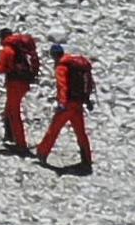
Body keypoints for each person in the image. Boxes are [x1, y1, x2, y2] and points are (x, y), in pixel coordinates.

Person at [36, 42, 96, 173]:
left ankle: (42, 153)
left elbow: (63, 86)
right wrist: (86, 99)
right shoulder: (77, 66)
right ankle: (86, 160)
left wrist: (62, 103)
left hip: (67, 104)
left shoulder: (62, 67)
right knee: (81, 133)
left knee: (54, 129)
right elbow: (89, 83)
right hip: (78, 104)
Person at [0, 27, 41, 154]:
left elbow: (0, 68)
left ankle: (21, 144)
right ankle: (11, 136)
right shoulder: (20, 49)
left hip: (14, 84)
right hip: (24, 82)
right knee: (9, 110)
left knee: (14, 113)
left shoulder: (7, 50)